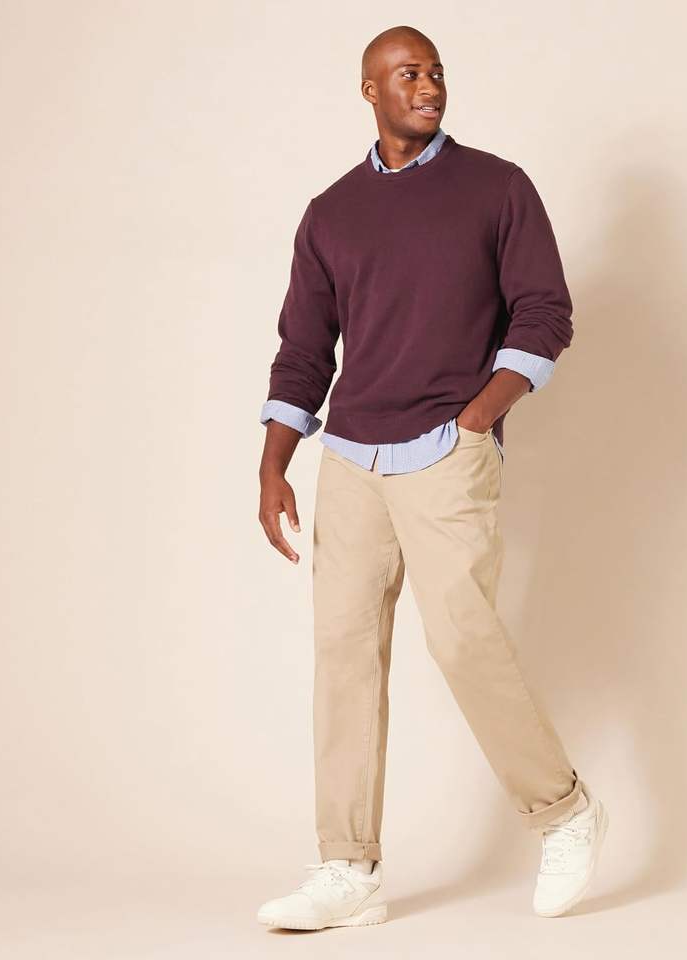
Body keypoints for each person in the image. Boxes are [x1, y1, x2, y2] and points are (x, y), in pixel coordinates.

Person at [255, 25, 608, 929]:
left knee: (460, 638)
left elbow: (545, 311)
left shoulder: (497, 187)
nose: (429, 86)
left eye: (436, 72)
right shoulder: (330, 213)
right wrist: (275, 462)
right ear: (369, 91)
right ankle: (348, 869)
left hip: (447, 449)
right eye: (408, 73)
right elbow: (305, 347)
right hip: (350, 457)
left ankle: (565, 811)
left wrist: (480, 416)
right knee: (343, 653)